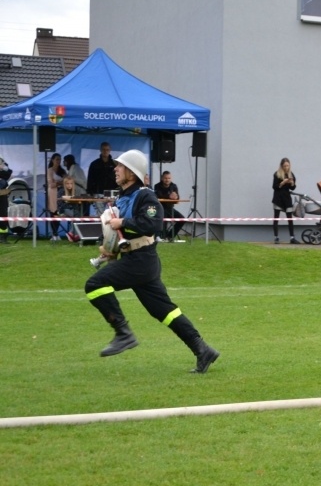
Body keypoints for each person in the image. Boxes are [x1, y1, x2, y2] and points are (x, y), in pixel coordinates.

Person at [84, 149, 220, 373]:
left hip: (141, 261)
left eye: (120, 166)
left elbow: (153, 224)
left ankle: (123, 334)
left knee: (94, 286)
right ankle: (203, 350)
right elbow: (124, 233)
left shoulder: (146, 195)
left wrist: (122, 223)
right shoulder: (123, 197)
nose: (115, 169)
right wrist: (110, 248)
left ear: (131, 171)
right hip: (137, 260)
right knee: (165, 311)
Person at [272, 157, 300, 244]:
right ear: (281, 166)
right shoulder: (277, 174)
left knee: (290, 219)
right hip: (278, 199)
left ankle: (292, 237)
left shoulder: (291, 174)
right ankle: (276, 237)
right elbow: (274, 187)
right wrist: (282, 183)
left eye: (287, 166)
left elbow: (293, 188)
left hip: (287, 198)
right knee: (276, 218)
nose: (286, 167)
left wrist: (292, 183)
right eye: (284, 166)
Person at [154, 170, 186, 241]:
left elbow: (177, 197)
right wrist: (169, 196)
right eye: (165, 178)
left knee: (182, 219)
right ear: (162, 178)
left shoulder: (174, 186)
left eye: (169, 178)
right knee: (163, 220)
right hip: (161, 208)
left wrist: (176, 197)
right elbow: (158, 196)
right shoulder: (157, 186)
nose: (167, 180)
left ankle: (170, 236)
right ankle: (162, 236)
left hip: (170, 208)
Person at [86, 142, 117, 214]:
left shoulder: (114, 164)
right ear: (100, 150)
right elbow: (90, 179)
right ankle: (101, 225)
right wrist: (89, 193)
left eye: (107, 149)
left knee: (112, 213)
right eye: (104, 149)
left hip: (112, 193)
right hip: (98, 193)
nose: (105, 151)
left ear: (110, 150)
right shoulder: (94, 164)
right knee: (100, 214)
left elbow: (118, 178)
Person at [46, 153, 66, 241]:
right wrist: (59, 183)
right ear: (53, 160)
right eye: (57, 159)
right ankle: (53, 234)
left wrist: (60, 183)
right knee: (53, 212)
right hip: (53, 193)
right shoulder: (50, 170)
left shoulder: (62, 171)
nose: (58, 161)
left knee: (59, 213)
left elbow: (67, 181)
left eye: (59, 159)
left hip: (61, 193)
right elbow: (51, 184)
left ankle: (56, 233)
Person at [0, 157, 12, 244]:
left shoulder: (3, 163)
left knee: (3, 214)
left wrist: (2, 168)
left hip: (2, 194)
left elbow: (8, 173)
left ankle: (3, 237)